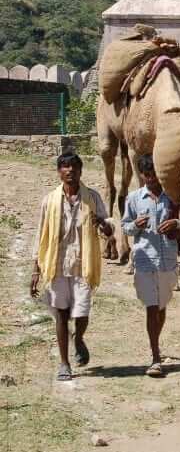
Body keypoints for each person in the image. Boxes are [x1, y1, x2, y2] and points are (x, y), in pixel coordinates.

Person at [30, 151, 113, 381]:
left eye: (74, 168)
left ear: (80, 172)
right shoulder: (50, 200)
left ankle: (78, 338)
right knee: (61, 314)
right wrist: (36, 269)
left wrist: (103, 225)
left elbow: (108, 228)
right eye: (65, 168)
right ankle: (64, 363)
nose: (70, 172)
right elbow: (40, 234)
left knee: (82, 312)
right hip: (56, 264)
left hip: (83, 264)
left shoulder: (92, 198)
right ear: (59, 172)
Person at [122, 155, 179, 378]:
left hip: (167, 261)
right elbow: (125, 227)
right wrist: (135, 225)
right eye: (147, 175)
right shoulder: (134, 198)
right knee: (151, 308)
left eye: (154, 174)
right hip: (145, 260)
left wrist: (176, 223)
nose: (151, 178)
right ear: (142, 175)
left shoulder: (172, 198)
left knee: (162, 306)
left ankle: (155, 341)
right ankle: (156, 357)